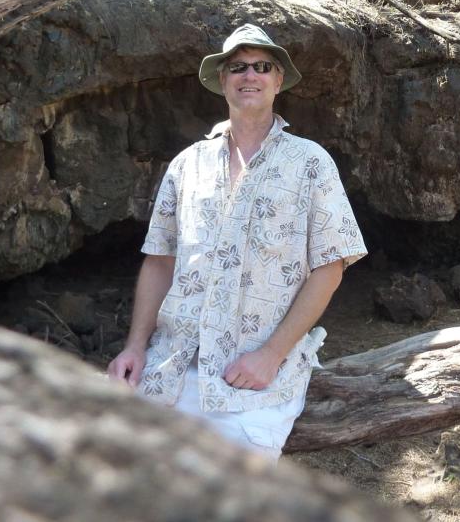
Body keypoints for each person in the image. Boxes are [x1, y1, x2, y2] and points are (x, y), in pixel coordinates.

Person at [107, 24, 366, 460]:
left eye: (262, 66)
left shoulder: (310, 163)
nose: (251, 75)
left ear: (278, 80)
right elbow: (159, 261)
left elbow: (330, 268)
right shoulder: (187, 165)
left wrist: (271, 354)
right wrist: (135, 346)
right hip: (168, 369)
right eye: (238, 67)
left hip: (251, 381)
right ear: (222, 81)